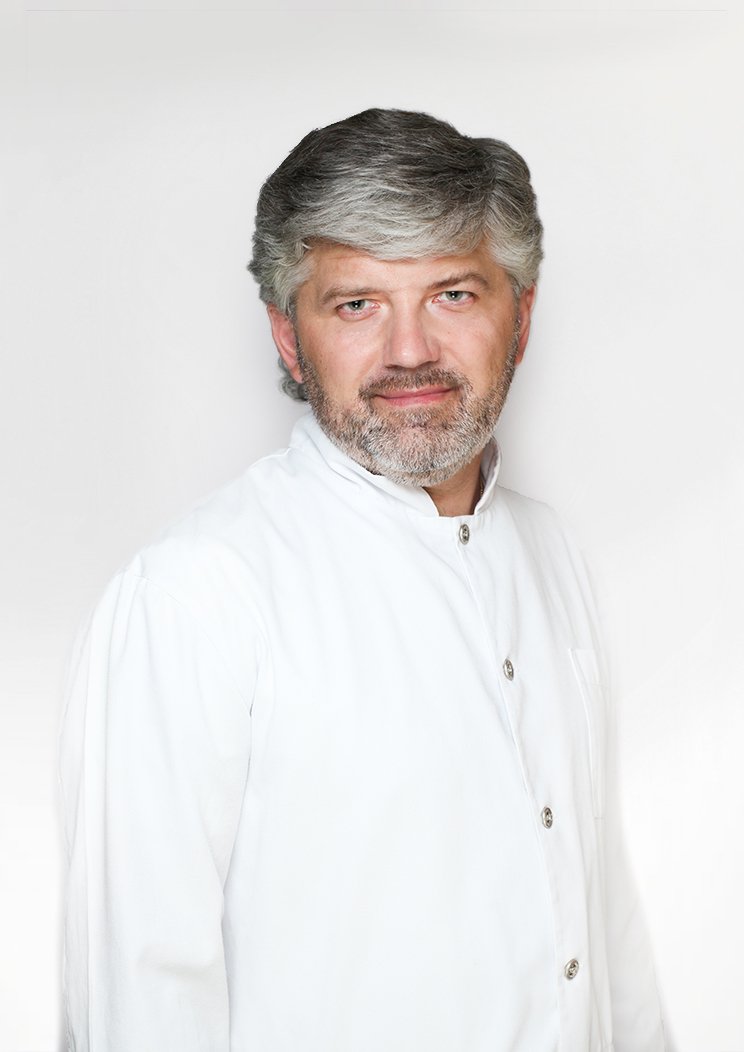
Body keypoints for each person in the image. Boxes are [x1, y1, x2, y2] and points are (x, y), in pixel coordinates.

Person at [60, 108, 665, 1051]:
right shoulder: (197, 595)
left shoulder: (552, 555)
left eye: (453, 294)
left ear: (521, 315)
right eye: (356, 305)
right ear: (287, 335)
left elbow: (601, 918)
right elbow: (139, 999)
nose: (410, 351)